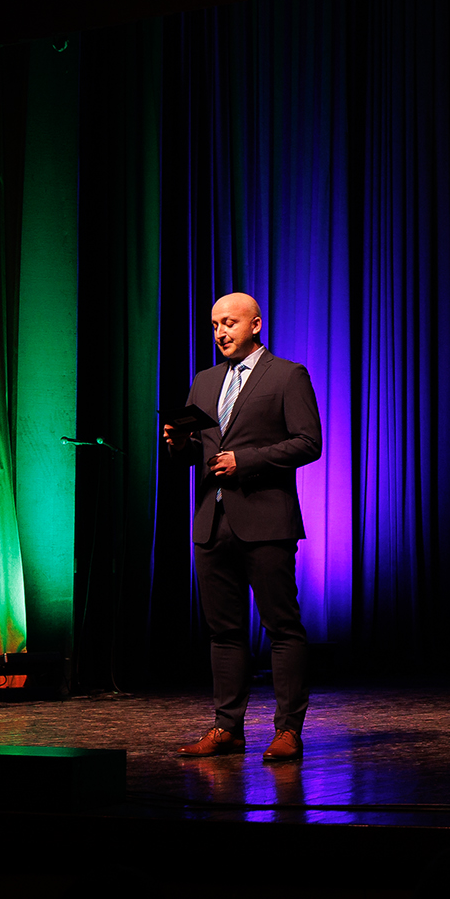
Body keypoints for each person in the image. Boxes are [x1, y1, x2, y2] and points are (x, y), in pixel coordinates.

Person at [162, 292, 322, 761]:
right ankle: (227, 728)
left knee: (282, 627)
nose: (220, 332)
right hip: (212, 522)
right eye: (215, 325)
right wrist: (179, 444)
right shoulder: (205, 380)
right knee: (224, 632)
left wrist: (245, 461)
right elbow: (197, 454)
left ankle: (288, 730)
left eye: (229, 323)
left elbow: (308, 442)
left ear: (255, 324)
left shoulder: (287, 375)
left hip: (266, 521)